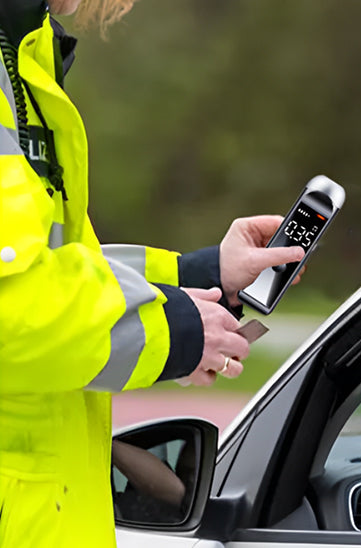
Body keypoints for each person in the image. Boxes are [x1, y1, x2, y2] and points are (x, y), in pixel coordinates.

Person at [0, 1, 305, 546]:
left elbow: (56, 264)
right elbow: (12, 305)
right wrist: (174, 329)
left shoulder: (24, 52)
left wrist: (199, 277)